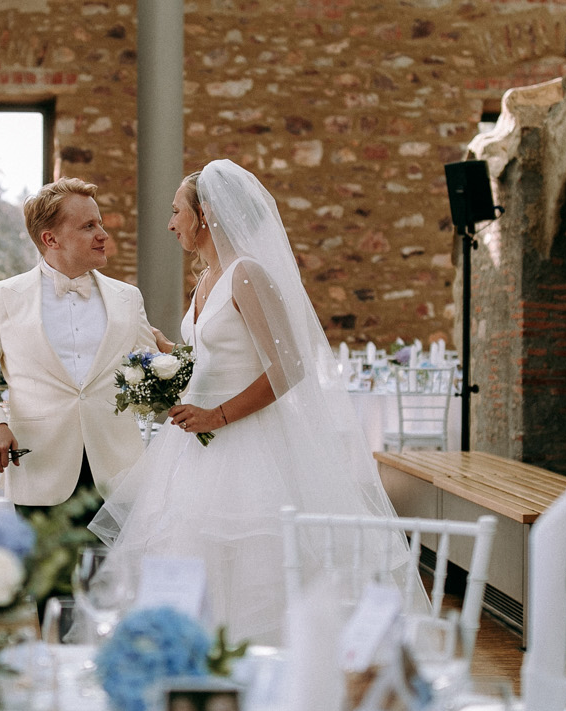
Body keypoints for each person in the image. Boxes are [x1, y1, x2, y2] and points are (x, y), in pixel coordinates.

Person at [91, 159, 413, 643]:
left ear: (207, 214)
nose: (171, 222)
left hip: (249, 446)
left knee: (253, 564)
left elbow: (289, 369)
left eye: (178, 210)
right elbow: (220, 357)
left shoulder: (248, 275)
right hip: (196, 448)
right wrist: (168, 355)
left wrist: (216, 415)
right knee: (189, 558)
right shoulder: (206, 280)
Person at [0, 178, 161, 518]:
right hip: (40, 469)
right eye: (88, 226)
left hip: (119, 469)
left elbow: (150, 375)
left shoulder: (128, 298)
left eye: (101, 224)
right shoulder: (3, 297)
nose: (103, 234)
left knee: (113, 574)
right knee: (47, 574)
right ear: (51, 239)